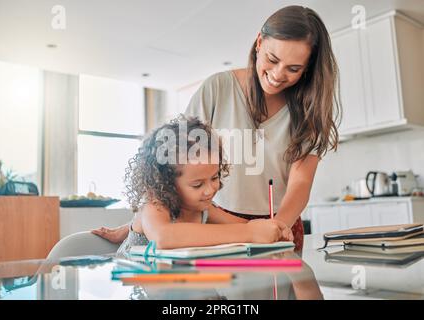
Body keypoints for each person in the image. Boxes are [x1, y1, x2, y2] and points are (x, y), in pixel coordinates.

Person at [93, 5, 340, 251]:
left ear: (307, 68)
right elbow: (170, 158)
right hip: (214, 218)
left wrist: (278, 227)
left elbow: (301, 182)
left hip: (279, 221)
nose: (277, 74)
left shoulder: (309, 109)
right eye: (272, 59)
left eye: (293, 69)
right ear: (259, 43)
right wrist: (136, 223)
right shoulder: (217, 88)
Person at [115, 116, 293, 256]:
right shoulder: (154, 204)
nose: (209, 190)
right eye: (197, 184)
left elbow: (245, 225)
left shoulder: (203, 208)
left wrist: (272, 228)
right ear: (166, 183)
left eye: (214, 177)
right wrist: (248, 232)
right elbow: (164, 237)